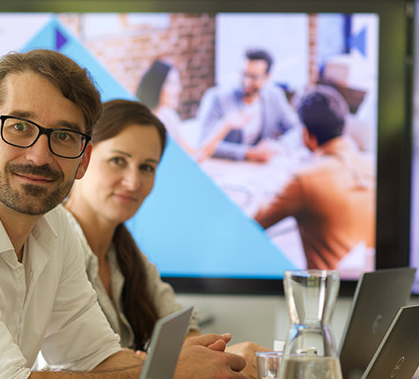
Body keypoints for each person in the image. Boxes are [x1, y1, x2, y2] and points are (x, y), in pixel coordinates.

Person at [0, 49, 247, 378]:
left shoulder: (55, 227)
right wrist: (163, 373)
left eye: (64, 135)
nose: (39, 155)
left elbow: (95, 358)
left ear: (82, 161)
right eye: (19, 127)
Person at [63, 99, 268, 376]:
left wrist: (226, 355)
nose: (133, 182)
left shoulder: (126, 254)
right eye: (117, 161)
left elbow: (184, 332)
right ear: (82, 158)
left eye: (147, 167)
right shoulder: (50, 246)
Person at [253, 89, 376, 272]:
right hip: (367, 286)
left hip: (324, 295)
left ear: (306, 134)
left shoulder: (305, 180)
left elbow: (252, 226)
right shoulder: (373, 166)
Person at [194, 48, 301, 163]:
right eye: (243, 74)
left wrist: (275, 146)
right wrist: (248, 153)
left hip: (258, 168)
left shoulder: (274, 96)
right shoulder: (217, 98)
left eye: (253, 77)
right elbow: (203, 144)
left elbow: (296, 130)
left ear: (267, 77)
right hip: (225, 166)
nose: (246, 81)